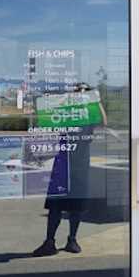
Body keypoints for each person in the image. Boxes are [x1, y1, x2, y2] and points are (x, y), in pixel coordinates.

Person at [32, 83, 107, 257]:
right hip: (62, 163)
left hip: (81, 165)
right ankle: (49, 241)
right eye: (76, 91)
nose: (79, 94)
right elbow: (43, 122)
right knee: (55, 205)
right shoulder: (65, 112)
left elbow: (104, 122)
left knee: (77, 205)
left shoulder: (89, 114)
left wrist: (96, 100)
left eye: (82, 91)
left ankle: (72, 239)